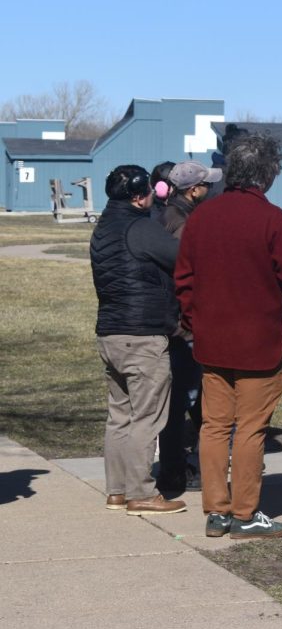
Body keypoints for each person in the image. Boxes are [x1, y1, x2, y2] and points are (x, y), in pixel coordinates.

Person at [176, 133, 282, 540]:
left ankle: (217, 511)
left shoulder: (202, 216)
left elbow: (183, 277)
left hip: (212, 339)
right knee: (250, 429)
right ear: (268, 175)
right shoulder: (273, 219)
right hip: (258, 341)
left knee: (214, 426)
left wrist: (194, 320)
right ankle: (245, 512)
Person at [90, 164, 186, 516]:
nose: (152, 195)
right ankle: (141, 492)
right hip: (142, 334)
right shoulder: (141, 228)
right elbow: (181, 258)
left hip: (110, 333)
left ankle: (116, 490)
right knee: (147, 417)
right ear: (138, 195)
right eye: (148, 190)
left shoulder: (103, 228)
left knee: (120, 416)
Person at [155, 160, 222, 495]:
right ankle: (177, 471)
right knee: (186, 397)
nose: (210, 189)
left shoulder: (168, 214)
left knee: (187, 397)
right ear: (194, 189)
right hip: (185, 324)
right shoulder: (183, 222)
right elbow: (188, 274)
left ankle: (183, 465)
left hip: (178, 321)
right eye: (206, 185)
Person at [162, 161, 221, 238]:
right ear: (194, 191)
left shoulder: (165, 210)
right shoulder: (185, 224)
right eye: (208, 184)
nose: (210, 188)